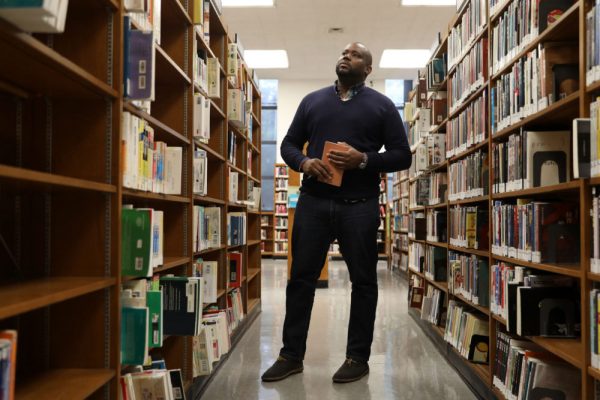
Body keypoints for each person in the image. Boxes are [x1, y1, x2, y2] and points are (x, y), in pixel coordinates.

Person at [261, 42, 412, 384]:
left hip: (359, 207)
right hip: (313, 204)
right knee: (300, 279)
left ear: (368, 69)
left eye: (355, 54)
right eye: (344, 52)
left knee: (363, 282)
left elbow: (402, 155)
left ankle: (357, 358)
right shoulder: (312, 101)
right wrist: (303, 162)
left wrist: (364, 160)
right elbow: (287, 144)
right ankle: (290, 355)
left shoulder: (383, 106)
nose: (346, 56)